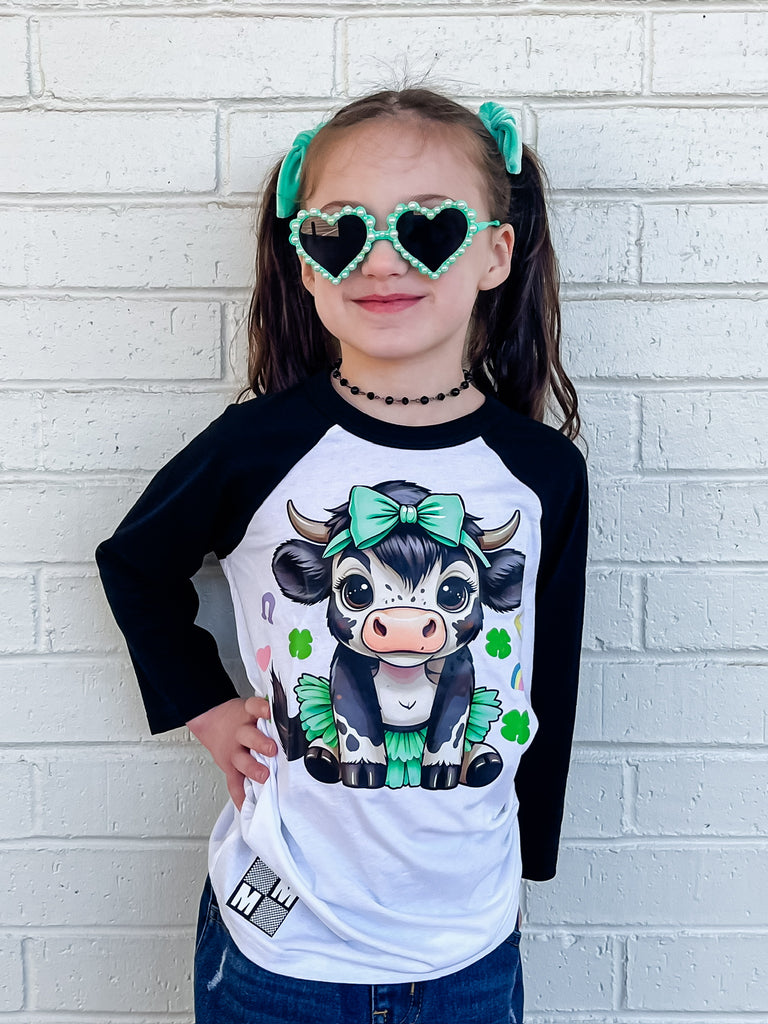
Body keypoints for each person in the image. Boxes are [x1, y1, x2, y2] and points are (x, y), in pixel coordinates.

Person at [96, 86, 588, 1024]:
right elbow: (136, 564)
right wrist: (206, 707)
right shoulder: (256, 449)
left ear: (495, 252)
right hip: (279, 945)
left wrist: (532, 855)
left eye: (430, 228)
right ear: (306, 265)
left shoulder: (541, 472)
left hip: (467, 943)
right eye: (340, 233)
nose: (383, 260)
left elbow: (547, 673)